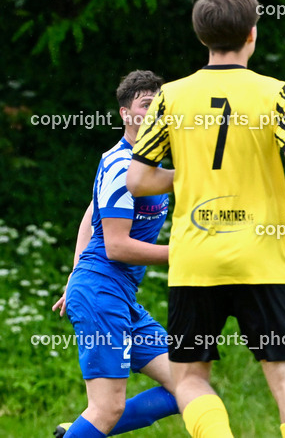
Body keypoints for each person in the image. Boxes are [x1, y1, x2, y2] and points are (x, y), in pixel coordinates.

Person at [126, 0, 285, 438]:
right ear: (252, 34)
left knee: (190, 378)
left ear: (201, 36)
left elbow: (137, 181)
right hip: (260, 259)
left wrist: (191, 173)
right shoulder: (275, 93)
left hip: (196, 261)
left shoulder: (171, 97)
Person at [51, 70, 179, 438]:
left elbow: (90, 213)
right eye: (145, 104)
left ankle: (77, 432)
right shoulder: (122, 166)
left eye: (159, 104)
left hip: (118, 296)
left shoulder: (148, 165)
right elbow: (116, 246)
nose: (154, 111)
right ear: (125, 114)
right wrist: (184, 253)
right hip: (102, 292)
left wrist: (75, 273)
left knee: (187, 384)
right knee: (107, 407)